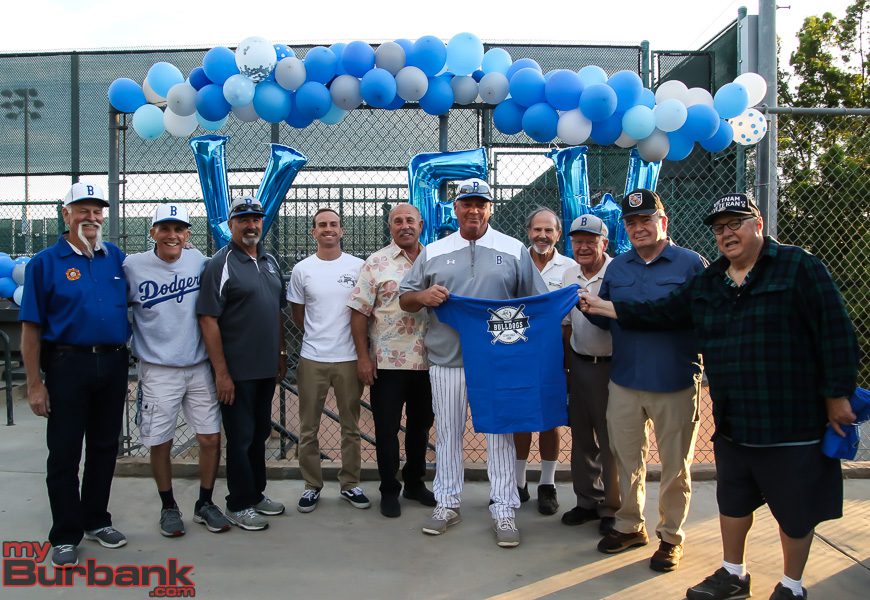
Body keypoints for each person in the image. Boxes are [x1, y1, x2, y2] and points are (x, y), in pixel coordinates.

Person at [581, 193, 859, 600]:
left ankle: (787, 584)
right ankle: (730, 572)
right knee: (733, 496)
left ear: (758, 223)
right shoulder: (711, 279)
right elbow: (661, 311)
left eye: (736, 224)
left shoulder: (796, 266)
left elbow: (836, 331)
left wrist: (837, 395)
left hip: (783, 411)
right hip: (731, 411)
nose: (727, 234)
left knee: (792, 504)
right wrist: (602, 308)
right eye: (720, 228)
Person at [399, 178, 548, 548]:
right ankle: (447, 503)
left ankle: (504, 507)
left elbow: (535, 302)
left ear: (490, 208)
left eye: (481, 203)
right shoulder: (434, 251)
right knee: (448, 434)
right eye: (467, 203)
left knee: (499, 434)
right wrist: (424, 294)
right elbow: (405, 298)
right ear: (456, 208)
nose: (474, 210)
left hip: (497, 362)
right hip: (447, 360)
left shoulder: (513, 249)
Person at [589, 189, 707, 572]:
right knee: (627, 460)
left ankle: (670, 536)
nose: (639, 228)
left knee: (675, 467)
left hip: (673, 380)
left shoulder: (690, 264)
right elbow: (607, 317)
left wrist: (613, 309)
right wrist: (584, 304)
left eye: (646, 220)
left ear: (663, 222)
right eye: (631, 222)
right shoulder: (618, 267)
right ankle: (629, 525)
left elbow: (691, 316)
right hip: (625, 379)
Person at [20, 182, 130, 568]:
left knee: (104, 448)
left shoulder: (114, 258)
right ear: (65, 214)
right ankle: (65, 533)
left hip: (114, 364)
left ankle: (97, 519)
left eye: (97, 211)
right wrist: (35, 384)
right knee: (65, 453)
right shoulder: (44, 263)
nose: (92, 217)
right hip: (68, 366)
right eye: (82, 210)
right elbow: (31, 329)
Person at [123, 204, 231, 537]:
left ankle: (205, 502)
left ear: (188, 235)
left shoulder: (201, 262)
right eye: (165, 228)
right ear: (152, 231)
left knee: (210, 437)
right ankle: (168, 505)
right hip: (158, 368)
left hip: (198, 366)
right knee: (161, 441)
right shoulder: (133, 266)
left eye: (179, 229)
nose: (172, 235)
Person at [196, 195, 287, 531]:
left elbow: (275, 310)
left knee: (260, 433)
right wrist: (221, 373)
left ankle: (255, 493)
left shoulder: (269, 260)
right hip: (236, 372)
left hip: (266, 368)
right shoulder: (220, 263)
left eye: (256, 219)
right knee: (241, 436)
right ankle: (238, 502)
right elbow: (208, 319)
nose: (251, 225)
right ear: (231, 225)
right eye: (243, 220)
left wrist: (280, 353)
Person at [347, 203, 435, 518]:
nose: (404, 226)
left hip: (429, 362)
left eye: (409, 220)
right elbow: (358, 312)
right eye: (397, 221)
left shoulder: (435, 259)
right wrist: (363, 357)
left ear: (421, 225)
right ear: (390, 227)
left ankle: (414, 482)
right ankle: (389, 489)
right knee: (386, 430)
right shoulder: (376, 263)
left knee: (421, 427)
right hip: (387, 362)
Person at [287, 208, 370, 513]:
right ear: (314, 232)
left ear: (342, 231)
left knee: (351, 426)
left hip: (349, 358)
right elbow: (298, 315)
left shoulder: (359, 267)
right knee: (308, 428)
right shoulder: (302, 270)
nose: (328, 229)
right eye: (322, 225)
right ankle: (312, 486)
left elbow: (364, 311)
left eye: (333, 224)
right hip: (313, 358)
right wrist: (318, 336)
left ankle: (350, 484)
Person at [559, 214, 619, 536]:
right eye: (577, 240)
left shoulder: (617, 271)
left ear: (604, 244)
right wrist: (568, 367)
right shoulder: (569, 273)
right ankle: (587, 500)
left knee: (611, 440)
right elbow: (566, 325)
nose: (582, 247)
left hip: (611, 365)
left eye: (590, 241)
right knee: (581, 435)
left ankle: (611, 506)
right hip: (580, 361)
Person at [514, 207, 576, 515]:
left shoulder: (570, 268)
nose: (542, 235)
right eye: (537, 230)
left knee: (551, 419)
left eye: (549, 230)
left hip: (555, 354)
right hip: (520, 354)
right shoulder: (514, 263)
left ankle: (547, 484)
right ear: (528, 232)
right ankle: (518, 482)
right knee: (521, 417)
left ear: (558, 234)